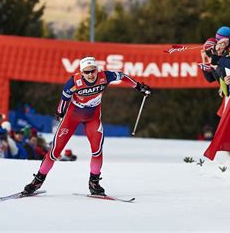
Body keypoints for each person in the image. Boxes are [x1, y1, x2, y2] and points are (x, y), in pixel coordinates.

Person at [21, 56, 152, 196]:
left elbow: (122, 75)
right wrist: (60, 113)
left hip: (92, 118)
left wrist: (138, 86)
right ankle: (37, 181)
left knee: (97, 150)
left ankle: (94, 183)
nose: (90, 75)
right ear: (81, 72)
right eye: (86, 72)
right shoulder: (73, 82)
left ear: (97, 69)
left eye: (93, 71)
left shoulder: (105, 76)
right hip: (72, 117)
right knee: (55, 151)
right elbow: (64, 99)